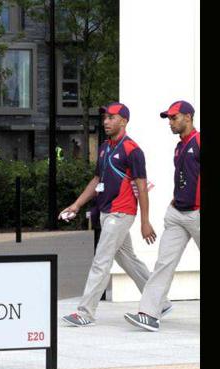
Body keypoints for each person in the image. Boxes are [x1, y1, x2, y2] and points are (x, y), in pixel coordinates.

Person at [59, 102, 171, 327]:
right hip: (106, 211)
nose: (106, 122)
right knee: (128, 259)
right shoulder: (104, 147)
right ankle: (161, 301)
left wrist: (145, 221)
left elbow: (140, 186)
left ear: (124, 121)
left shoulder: (133, 150)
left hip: (121, 213)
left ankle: (85, 312)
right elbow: (97, 180)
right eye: (105, 118)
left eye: (111, 117)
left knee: (101, 260)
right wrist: (77, 204)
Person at [124, 101, 200, 332]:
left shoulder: (198, 142)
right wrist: (176, 199)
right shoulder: (179, 147)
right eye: (168, 118)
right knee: (163, 264)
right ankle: (148, 313)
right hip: (177, 214)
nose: (170, 122)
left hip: (197, 213)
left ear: (188, 117)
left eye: (174, 117)